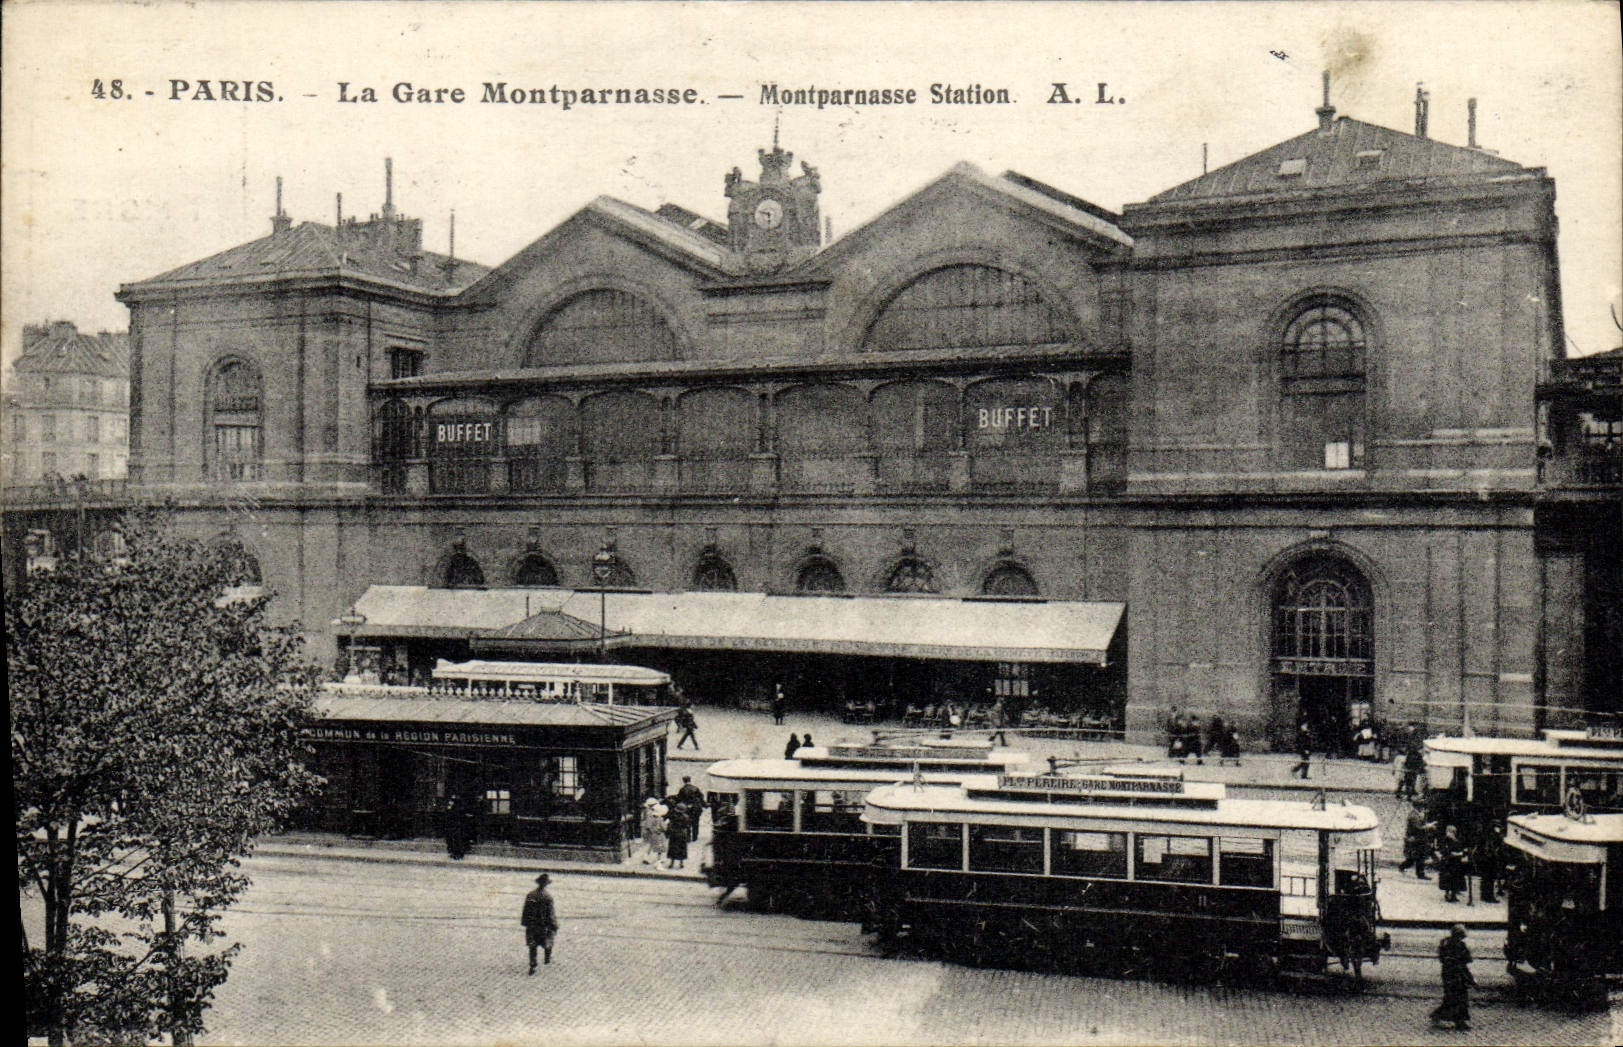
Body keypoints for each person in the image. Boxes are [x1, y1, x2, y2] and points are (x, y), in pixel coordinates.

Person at [1430, 924, 1475, 1030]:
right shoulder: (1459, 946)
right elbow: (1465, 961)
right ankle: (1460, 1021)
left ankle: (1439, 1015)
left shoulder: (1446, 944)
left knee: (1451, 997)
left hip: (1448, 973)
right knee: (1459, 998)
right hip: (1456, 974)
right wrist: (1470, 979)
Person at [521, 873, 559, 973]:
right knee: (548, 941)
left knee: (532, 945)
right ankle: (547, 958)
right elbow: (550, 913)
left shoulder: (530, 894)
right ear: (546, 884)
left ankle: (533, 964)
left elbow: (525, 910)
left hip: (532, 925)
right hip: (544, 925)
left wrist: (525, 922)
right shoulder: (548, 897)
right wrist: (554, 925)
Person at [1399, 802, 1434, 880]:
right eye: (1422, 806)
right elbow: (1418, 828)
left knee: (1418, 857)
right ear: (1418, 806)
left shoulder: (1417, 814)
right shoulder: (1414, 816)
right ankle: (1404, 867)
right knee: (1415, 857)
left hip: (1418, 839)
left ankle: (1419, 873)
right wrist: (1428, 826)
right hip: (1414, 840)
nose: (1423, 808)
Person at [1438, 825, 1470, 903]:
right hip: (1448, 863)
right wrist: (1456, 854)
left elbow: (1460, 849)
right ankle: (1448, 894)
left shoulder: (1456, 841)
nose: (1450, 833)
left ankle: (1454, 894)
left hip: (1456, 863)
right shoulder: (1445, 840)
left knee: (1455, 879)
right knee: (1448, 879)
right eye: (1449, 831)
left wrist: (1462, 853)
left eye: (1452, 832)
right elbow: (1445, 851)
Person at [1473, 825, 1503, 904]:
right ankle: (1489, 896)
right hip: (1489, 861)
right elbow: (1491, 849)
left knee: (1486, 879)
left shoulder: (1490, 836)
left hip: (1486, 860)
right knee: (1489, 879)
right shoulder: (1491, 837)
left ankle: (1485, 896)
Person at [1396, 728, 1426, 799]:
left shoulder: (1413, 745)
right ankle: (1407, 794)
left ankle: (1402, 793)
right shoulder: (1415, 747)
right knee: (1409, 781)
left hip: (1409, 766)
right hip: (1411, 766)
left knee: (1406, 781)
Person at [676, 776, 705, 842]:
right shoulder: (696, 788)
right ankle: (695, 837)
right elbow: (701, 797)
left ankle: (688, 837)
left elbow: (679, 799)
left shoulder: (682, 789)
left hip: (687, 809)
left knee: (687, 822)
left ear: (683, 781)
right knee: (696, 823)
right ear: (690, 780)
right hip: (696, 809)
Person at [640, 797, 667, 865]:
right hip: (652, 831)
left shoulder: (647, 811)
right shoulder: (651, 813)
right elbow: (650, 824)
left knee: (651, 844)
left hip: (649, 830)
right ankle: (650, 858)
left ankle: (647, 857)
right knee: (655, 845)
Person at [443, 794, 470, 860]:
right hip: (452, 825)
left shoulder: (458, 807)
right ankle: (454, 853)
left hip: (457, 825)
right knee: (453, 840)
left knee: (457, 840)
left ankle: (458, 854)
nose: (451, 802)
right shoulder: (452, 807)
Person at [665, 803, 690, 869]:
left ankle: (671, 863)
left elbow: (670, 825)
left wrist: (668, 833)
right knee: (682, 848)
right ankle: (681, 863)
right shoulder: (686, 817)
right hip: (682, 833)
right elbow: (687, 826)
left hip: (674, 833)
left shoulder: (673, 816)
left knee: (673, 848)